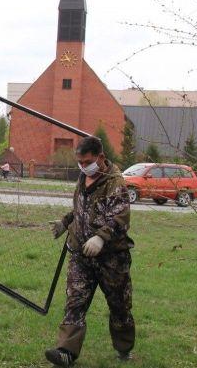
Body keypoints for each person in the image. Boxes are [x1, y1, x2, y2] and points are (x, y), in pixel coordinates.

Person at [45, 136, 135, 366]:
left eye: (87, 162)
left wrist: (101, 238)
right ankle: (66, 352)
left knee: (119, 306)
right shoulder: (83, 177)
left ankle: (124, 349)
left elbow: (121, 217)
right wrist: (65, 222)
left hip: (111, 258)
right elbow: (81, 209)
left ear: (100, 158)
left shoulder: (115, 183)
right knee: (75, 302)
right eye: (80, 163)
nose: (83, 167)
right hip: (81, 254)